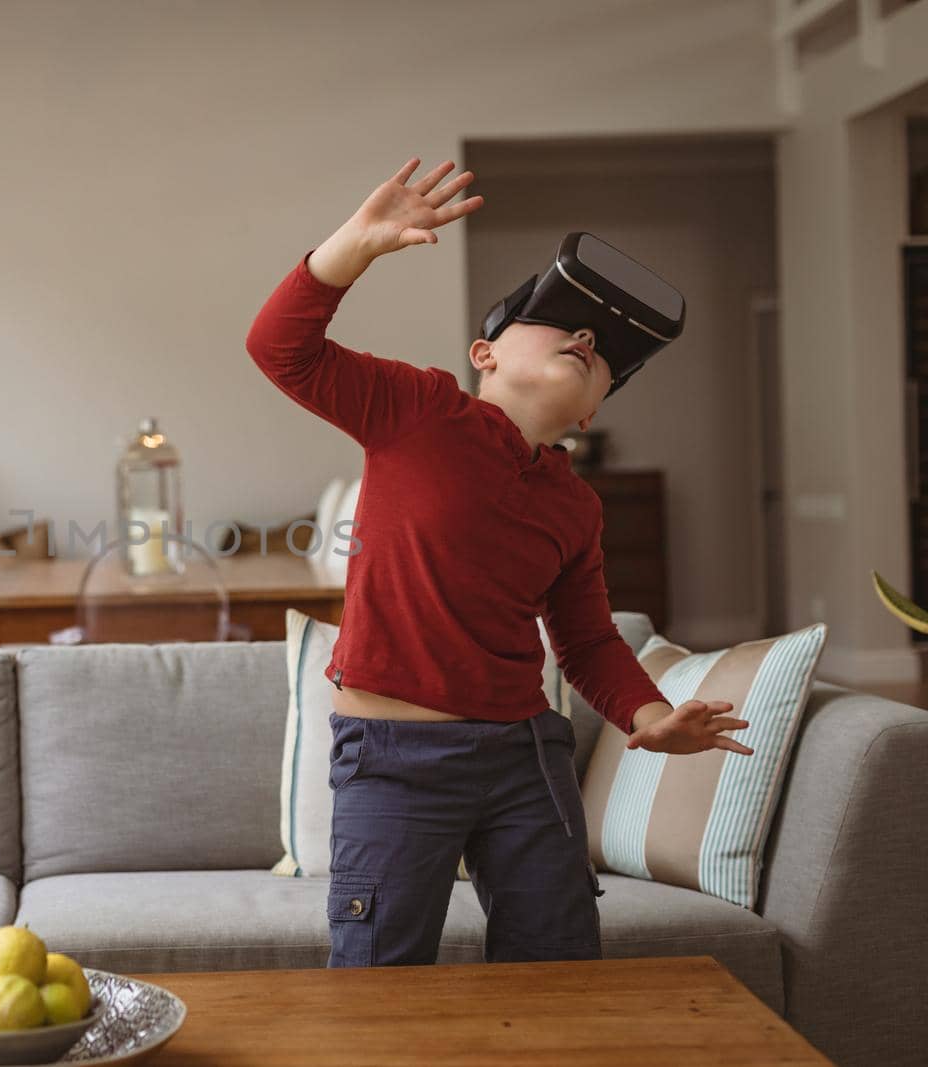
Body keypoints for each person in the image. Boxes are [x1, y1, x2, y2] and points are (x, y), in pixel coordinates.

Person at [245, 157, 752, 966]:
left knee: (556, 968)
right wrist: (356, 245)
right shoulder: (418, 409)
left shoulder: (575, 505)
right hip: (391, 759)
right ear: (484, 354)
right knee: (379, 977)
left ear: (590, 412)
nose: (587, 339)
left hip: (524, 758)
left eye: (604, 356)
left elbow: (586, 643)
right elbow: (280, 348)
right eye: (563, 324)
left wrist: (653, 719)